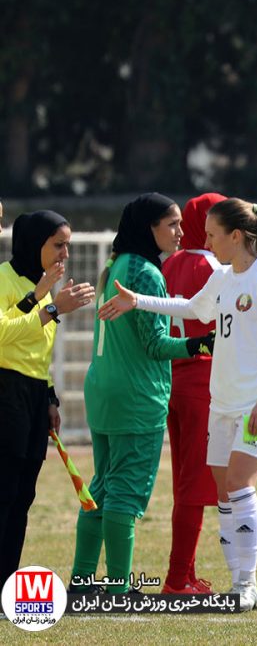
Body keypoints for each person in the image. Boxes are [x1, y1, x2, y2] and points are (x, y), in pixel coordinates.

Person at [98, 198, 257, 610]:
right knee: (224, 492)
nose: (204, 242)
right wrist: (139, 300)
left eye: (211, 234)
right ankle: (236, 583)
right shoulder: (223, 277)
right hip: (221, 402)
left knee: (239, 484)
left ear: (236, 236)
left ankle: (246, 584)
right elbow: (191, 307)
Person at [71, 194, 213, 595]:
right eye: (171, 224)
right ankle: (118, 588)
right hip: (135, 395)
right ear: (149, 228)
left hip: (103, 391)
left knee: (102, 488)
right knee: (125, 492)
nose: (180, 232)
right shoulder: (147, 272)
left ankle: (82, 581)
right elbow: (154, 344)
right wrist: (202, 344)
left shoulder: (116, 264)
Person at [0, 211, 94, 586]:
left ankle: (6, 583)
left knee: (23, 495)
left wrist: (50, 397)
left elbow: (39, 350)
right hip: (6, 392)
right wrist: (50, 307)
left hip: (34, 397)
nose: (65, 254)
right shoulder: (4, 278)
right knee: (5, 492)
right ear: (34, 243)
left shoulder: (43, 287)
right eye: (58, 245)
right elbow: (3, 334)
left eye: (67, 245)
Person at [161, 192, 225, 594]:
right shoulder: (214, 267)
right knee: (195, 487)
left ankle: (185, 573)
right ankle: (176, 577)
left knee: (183, 483)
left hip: (173, 377)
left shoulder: (168, 263)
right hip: (203, 380)